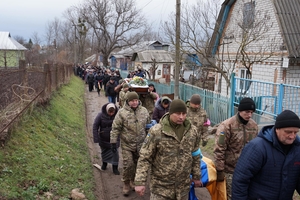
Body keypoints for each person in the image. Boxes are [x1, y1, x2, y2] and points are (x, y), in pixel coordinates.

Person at [134, 99, 202, 199]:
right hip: (161, 189)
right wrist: (140, 181)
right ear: (170, 113)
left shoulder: (192, 131)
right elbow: (145, 157)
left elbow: (195, 154)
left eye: (184, 113)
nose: (181, 117)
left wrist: (196, 176)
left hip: (182, 188)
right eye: (178, 113)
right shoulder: (157, 131)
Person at [232, 110, 300, 199]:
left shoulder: (297, 149)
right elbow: (240, 180)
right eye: (288, 132)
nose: (292, 136)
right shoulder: (257, 148)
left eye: (295, 132)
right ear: (277, 129)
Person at [214, 97, 258, 200]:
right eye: (247, 112)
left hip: (248, 171)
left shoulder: (253, 126)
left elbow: (257, 148)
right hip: (230, 171)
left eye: (252, 112)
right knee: (231, 196)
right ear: (240, 110)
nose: (249, 115)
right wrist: (220, 170)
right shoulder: (226, 126)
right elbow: (219, 149)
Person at [110, 92, 150, 196]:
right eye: (132, 101)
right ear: (128, 101)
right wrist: (113, 142)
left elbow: (148, 126)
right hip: (127, 144)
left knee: (138, 165)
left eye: (136, 100)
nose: (134, 102)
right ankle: (126, 183)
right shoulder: (122, 113)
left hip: (141, 144)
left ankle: (133, 181)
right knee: (129, 165)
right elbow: (115, 128)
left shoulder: (144, 111)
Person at [92, 103, 120, 175]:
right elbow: (95, 126)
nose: (111, 114)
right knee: (104, 152)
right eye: (109, 112)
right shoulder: (100, 115)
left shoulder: (118, 115)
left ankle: (115, 167)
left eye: (112, 112)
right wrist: (96, 138)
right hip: (103, 138)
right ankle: (104, 164)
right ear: (106, 110)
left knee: (115, 153)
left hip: (114, 138)